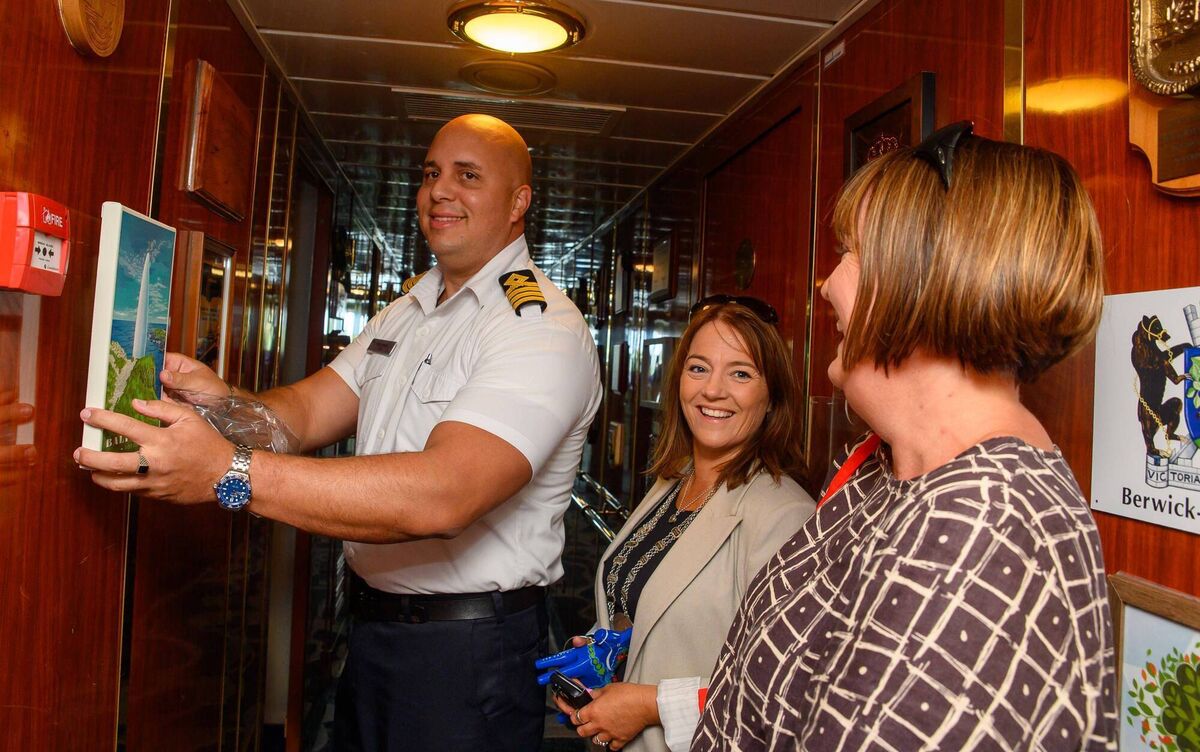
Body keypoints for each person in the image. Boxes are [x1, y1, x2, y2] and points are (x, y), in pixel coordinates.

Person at [75, 114, 603, 751]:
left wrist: (226, 474)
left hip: (465, 655)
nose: (440, 191)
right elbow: (299, 416)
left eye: (468, 176)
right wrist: (219, 403)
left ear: (519, 201)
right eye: (432, 173)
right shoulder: (410, 310)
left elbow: (443, 496)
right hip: (377, 633)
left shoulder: (538, 326)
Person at [692, 121, 1116, 751]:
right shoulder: (893, 473)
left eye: (853, 254)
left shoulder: (981, 530)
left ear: (926, 280)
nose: (827, 283)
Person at [555, 297, 815, 751]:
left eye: (740, 373)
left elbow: (784, 688)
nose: (713, 391)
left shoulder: (785, 516)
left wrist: (650, 705)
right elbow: (647, 607)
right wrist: (603, 651)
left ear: (771, 395)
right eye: (698, 368)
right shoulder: (672, 484)